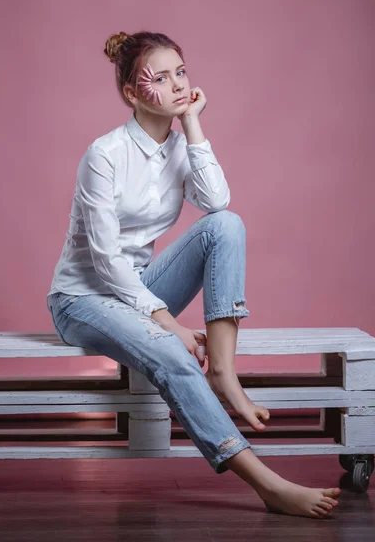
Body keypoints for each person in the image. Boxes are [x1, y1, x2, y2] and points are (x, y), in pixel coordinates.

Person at [46, 30, 340, 518]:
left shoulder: (180, 148)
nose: (178, 83)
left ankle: (223, 371)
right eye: (159, 77)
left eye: (180, 71)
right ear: (131, 93)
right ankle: (267, 484)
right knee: (166, 348)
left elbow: (217, 202)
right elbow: (105, 262)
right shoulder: (104, 155)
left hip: (138, 288)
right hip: (83, 298)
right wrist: (169, 324)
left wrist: (193, 124)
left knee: (226, 224)